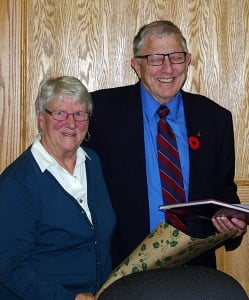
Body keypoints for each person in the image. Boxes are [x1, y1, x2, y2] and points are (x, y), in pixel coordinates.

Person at [84, 20, 247, 268]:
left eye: (176, 57)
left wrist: (232, 224)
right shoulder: (100, 113)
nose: (168, 68)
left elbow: (223, 191)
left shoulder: (215, 119)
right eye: (155, 59)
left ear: (188, 61)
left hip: (194, 269)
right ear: (136, 65)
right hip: (123, 267)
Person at [0, 76, 116, 300]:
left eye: (80, 114)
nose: (71, 123)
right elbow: (8, 265)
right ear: (41, 119)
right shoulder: (17, 183)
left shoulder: (93, 163)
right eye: (60, 113)